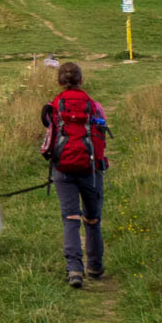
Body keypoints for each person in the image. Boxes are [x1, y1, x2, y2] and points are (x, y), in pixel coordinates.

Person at [41, 61, 109, 288]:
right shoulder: (94, 106)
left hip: (63, 168)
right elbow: (101, 137)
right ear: (81, 81)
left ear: (60, 82)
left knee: (70, 218)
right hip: (91, 169)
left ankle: (74, 270)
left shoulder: (54, 106)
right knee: (92, 218)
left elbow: (49, 137)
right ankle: (95, 266)